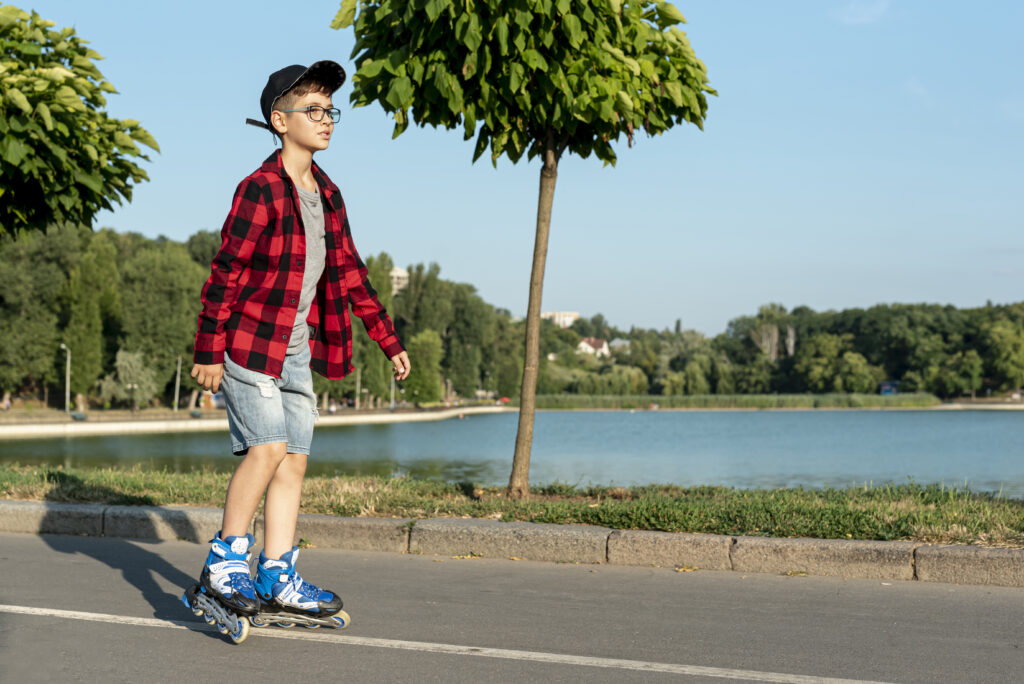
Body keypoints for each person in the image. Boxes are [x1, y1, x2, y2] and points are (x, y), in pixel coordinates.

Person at [188, 60, 411, 625]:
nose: (327, 119)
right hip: (247, 342)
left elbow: (351, 272)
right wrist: (208, 350)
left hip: (294, 345)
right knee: (265, 449)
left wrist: (386, 338)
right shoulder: (259, 189)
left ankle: (276, 573)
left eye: (330, 109)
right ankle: (223, 564)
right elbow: (227, 272)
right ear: (279, 120)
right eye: (313, 109)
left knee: (293, 461)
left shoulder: (329, 194)